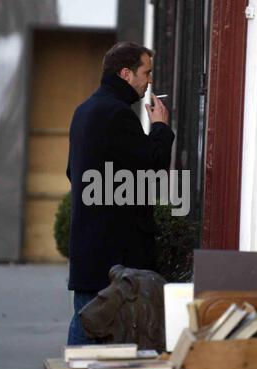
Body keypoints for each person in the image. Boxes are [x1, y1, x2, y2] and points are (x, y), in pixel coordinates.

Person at [66, 42, 175, 345]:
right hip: (114, 253)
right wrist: (161, 128)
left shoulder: (85, 110)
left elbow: (73, 174)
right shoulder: (117, 114)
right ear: (126, 73)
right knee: (96, 330)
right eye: (146, 72)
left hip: (90, 246)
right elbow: (152, 167)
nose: (149, 81)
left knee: (87, 321)